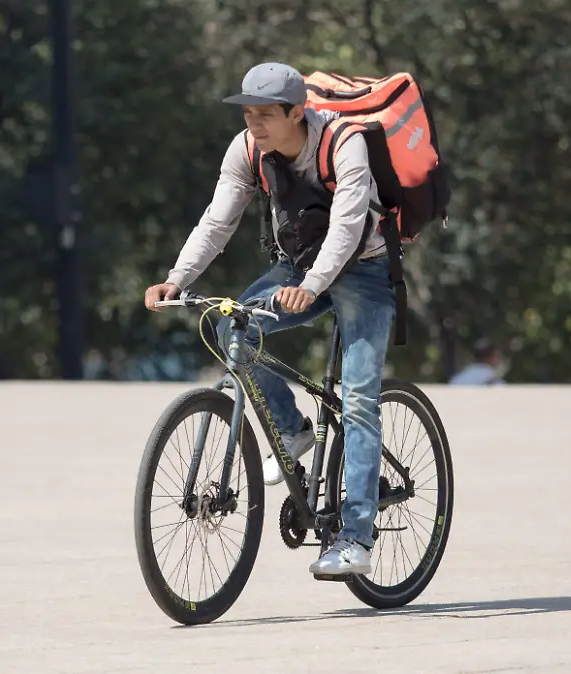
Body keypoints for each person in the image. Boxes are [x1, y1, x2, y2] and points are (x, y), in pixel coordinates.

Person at [143, 62, 392, 576]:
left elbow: (348, 227)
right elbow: (218, 219)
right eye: (247, 113)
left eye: (264, 115)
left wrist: (312, 287)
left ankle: (356, 538)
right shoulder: (247, 148)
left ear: (297, 113)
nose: (252, 124)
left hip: (363, 269)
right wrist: (178, 278)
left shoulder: (343, 143)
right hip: (298, 266)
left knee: (360, 401)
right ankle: (292, 430)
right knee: (229, 325)